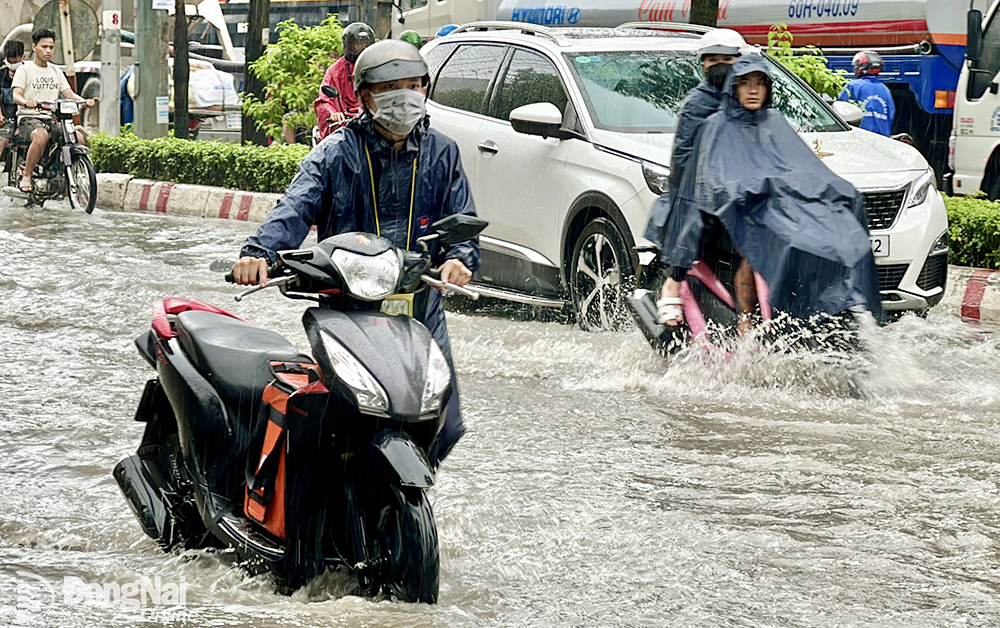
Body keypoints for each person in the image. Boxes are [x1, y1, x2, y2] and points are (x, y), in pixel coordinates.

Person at [232, 40, 479, 466]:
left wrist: (459, 259)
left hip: (419, 303)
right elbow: (294, 207)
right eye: (391, 88)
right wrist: (259, 253)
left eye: (414, 86)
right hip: (349, 306)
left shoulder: (443, 153)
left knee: (444, 421)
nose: (405, 97)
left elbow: (462, 218)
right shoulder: (334, 153)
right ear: (365, 97)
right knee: (341, 422)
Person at [660, 56, 881, 326]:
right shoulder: (716, 126)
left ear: (768, 89)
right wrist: (745, 190)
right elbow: (711, 180)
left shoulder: (773, 122)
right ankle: (746, 324)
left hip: (775, 206)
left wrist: (831, 190)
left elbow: (797, 166)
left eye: (760, 83)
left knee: (841, 233)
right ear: (734, 87)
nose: (753, 90)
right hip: (734, 213)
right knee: (762, 249)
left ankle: (833, 304)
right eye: (746, 83)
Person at [649, 28, 746, 325]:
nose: (720, 66)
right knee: (693, 211)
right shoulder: (697, 102)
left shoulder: (751, 95)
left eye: (727, 59)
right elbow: (683, 156)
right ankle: (673, 283)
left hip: (747, 190)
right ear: (702, 64)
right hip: (706, 191)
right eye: (712, 59)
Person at [11, 28, 95, 192]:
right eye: (44, 47)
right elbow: (16, 95)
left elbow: (69, 94)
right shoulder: (24, 69)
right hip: (28, 119)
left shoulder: (56, 70)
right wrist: (26, 102)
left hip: (51, 118)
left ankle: (65, 172)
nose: (48, 50)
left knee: (77, 137)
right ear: (34, 47)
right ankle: (27, 175)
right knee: (41, 136)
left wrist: (85, 101)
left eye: (51, 47)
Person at [313, 22, 375, 142]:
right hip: (344, 128)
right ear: (348, 46)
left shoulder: (378, 67)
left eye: (364, 44)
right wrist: (333, 113)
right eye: (357, 44)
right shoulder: (335, 71)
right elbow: (324, 100)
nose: (361, 48)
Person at [837, 50, 895, 136]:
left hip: (859, 138)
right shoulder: (885, 90)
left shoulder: (853, 86)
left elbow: (840, 112)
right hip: (882, 140)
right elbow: (890, 114)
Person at [0, 40, 25, 163]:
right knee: (2, 140)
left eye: (15, 61)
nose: (12, 64)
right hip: (6, 116)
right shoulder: (2, 74)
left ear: (22, 57)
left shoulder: (28, 72)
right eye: (9, 61)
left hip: (24, 116)